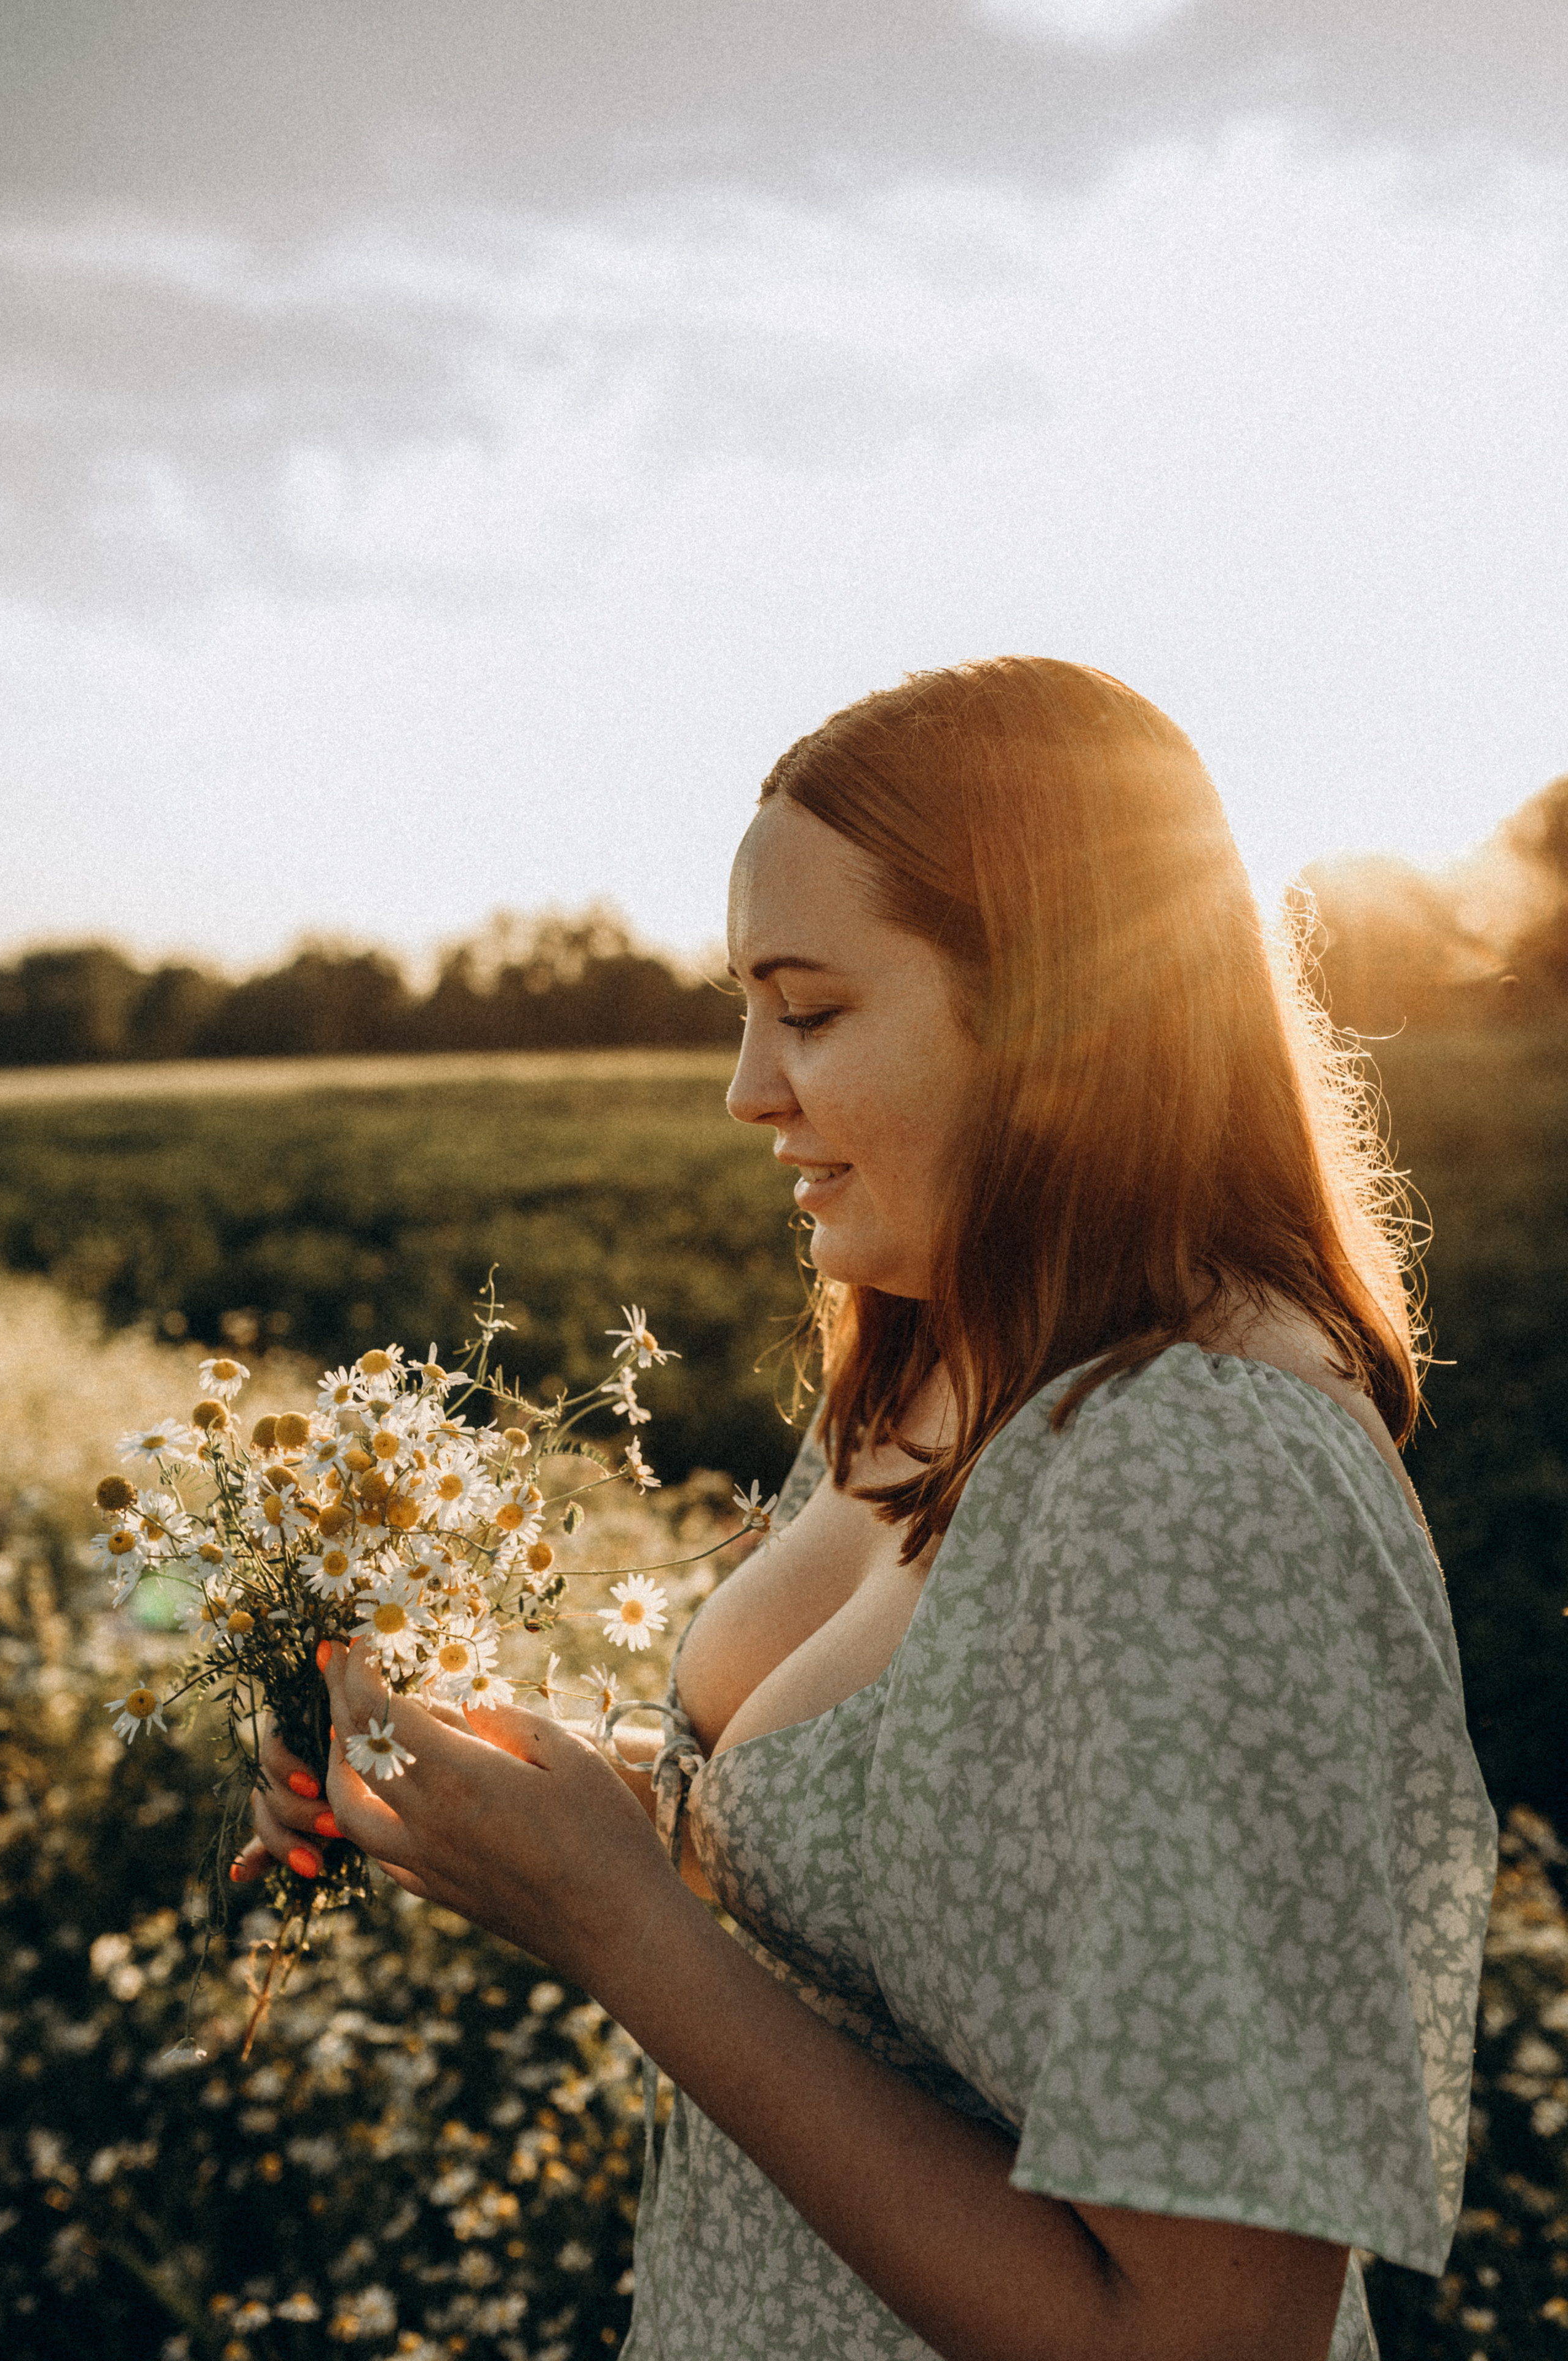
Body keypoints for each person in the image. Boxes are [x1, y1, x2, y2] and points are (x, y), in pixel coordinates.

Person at [243, 658, 1497, 2361]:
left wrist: (618, 1925)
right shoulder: (932, 1364)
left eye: (812, 1011)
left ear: (1066, 1027)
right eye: (747, 1009)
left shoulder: (1203, 1477)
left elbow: (1207, 2341)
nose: (748, 1089)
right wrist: (519, 1805)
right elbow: (920, 1855)